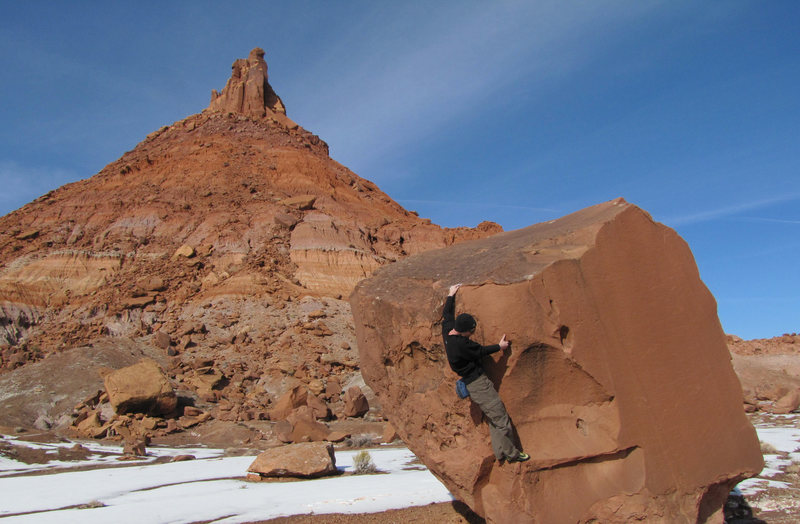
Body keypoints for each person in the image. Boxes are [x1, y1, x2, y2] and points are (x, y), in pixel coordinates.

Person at [442, 283, 529, 463]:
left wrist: (451, 295)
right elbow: (481, 351)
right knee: (501, 418)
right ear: (465, 331)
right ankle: (513, 454)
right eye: (471, 330)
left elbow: (447, 315)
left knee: (493, 416)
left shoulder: (448, 331)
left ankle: (500, 452)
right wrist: (500, 347)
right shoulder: (463, 345)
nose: (472, 332)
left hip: (473, 383)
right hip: (478, 384)